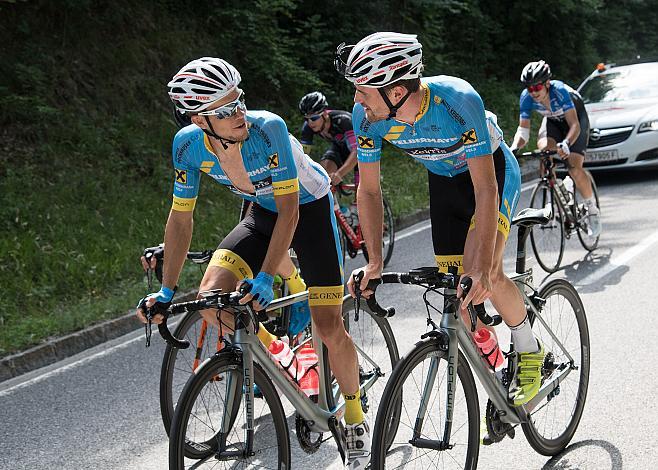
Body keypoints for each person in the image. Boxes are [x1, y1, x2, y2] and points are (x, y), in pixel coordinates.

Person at [136, 57, 369, 468]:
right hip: (260, 213)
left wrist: (265, 276)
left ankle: (353, 416)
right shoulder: (187, 146)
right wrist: (166, 290)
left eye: (239, 101)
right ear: (200, 119)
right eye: (226, 110)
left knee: (330, 326)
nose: (239, 113)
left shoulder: (269, 129)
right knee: (209, 299)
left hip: (308, 210)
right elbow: (180, 217)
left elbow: (291, 210)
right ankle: (282, 352)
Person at [336, 32, 545, 411]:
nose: (355, 100)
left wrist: (481, 266)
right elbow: (367, 191)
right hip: (445, 185)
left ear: (395, 91)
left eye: (362, 90)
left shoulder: (457, 100)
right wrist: (375, 261)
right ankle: (497, 367)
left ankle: (530, 351)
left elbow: (485, 188)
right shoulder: (368, 118)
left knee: (485, 273)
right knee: (457, 298)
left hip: (491, 177)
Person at [510, 60, 601, 237]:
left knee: (574, 167)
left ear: (547, 84)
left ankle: (592, 209)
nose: (533, 93)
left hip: (575, 123)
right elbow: (523, 132)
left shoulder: (560, 92)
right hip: (552, 122)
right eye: (529, 88)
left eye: (537, 88)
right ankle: (557, 190)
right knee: (544, 152)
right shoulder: (526, 98)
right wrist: (513, 148)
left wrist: (566, 143)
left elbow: (574, 125)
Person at [299, 91, 358, 186]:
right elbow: (302, 156)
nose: (310, 122)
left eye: (314, 118)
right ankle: (331, 199)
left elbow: (357, 151)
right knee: (324, 176)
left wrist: (339, 174)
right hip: (339, 147)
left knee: (363, 192)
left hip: (362, 149)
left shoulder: (343, 121)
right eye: (306, 119)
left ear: (325, 114)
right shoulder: (307, 128)